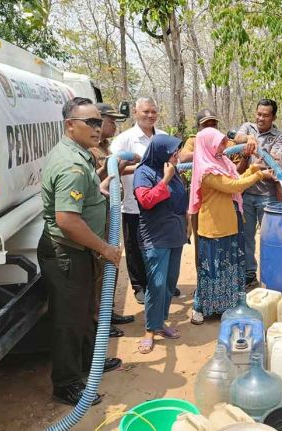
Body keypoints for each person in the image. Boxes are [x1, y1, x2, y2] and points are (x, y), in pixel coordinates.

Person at [37, 97, 122, 406]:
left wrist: (96, 192)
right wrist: (105, 249)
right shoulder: (71, 164)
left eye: (99, 122)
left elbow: (77, 203)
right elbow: (67, 220)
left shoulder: (80, 154)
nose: (98, 129)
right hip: (67, 253)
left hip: (79, 251)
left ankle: (90, 362)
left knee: (85, 311)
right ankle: (67, 384)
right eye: (92, 123)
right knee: (69, 320)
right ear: (70, 125)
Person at [188, 128, 275, 324]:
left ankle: (227, 306)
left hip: (231, 223)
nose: (222, 147)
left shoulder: (222, 162)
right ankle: (200, 309)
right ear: (207, 145)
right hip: (214, 228)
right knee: (211, 269)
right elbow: (231, 187)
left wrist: (253, 169)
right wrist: (259, 176)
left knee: (230, 267)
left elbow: (236, 178)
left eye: (222, 143)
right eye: (218, 143)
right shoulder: (206, 170)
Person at [133, 134, 187, 353]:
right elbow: (146, 201)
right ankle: (150, 330)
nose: (177, 155)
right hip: (155, 236)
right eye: (174, 151)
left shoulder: (172, 170)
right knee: (156, 283)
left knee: (169, 283)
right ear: (162, 151)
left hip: (174, 234)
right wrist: (164, 179)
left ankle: (160, 323)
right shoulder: (143, 173)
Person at [110, 97, 167, 305]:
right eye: (146, 112)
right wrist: (145, 168)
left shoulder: (162, 137)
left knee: (159, 244)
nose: (150, 115)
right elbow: (113, 167)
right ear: (135, 113)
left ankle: (159, 283)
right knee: (135, 246)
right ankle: (139, 285)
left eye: (154, 111)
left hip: (160, 202)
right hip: (133, 204)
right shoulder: (125, 139)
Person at [90, 103, 135, 333]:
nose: (114, 125)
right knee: (101, 266)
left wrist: (128, 164)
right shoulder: (90, 150)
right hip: (98, 216)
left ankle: (107, 311)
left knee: (112, 262)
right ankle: (99, 319)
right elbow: (96, 179)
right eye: (110, 121)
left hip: (109, 214)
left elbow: (113, 170)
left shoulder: (105, 148)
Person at [234, 99, 282, 289]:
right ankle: (249, 274)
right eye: (259, 114)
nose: (261, 118)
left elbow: (273, 162)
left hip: (267, 195)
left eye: (265, 115)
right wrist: (248, 139)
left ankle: (269, 274)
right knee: (246, 236)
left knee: (268, 237)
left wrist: (254, 155)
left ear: (273, 117)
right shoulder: (248, 127)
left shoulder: (279, 137)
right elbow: (237, 138)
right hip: (246, 193)